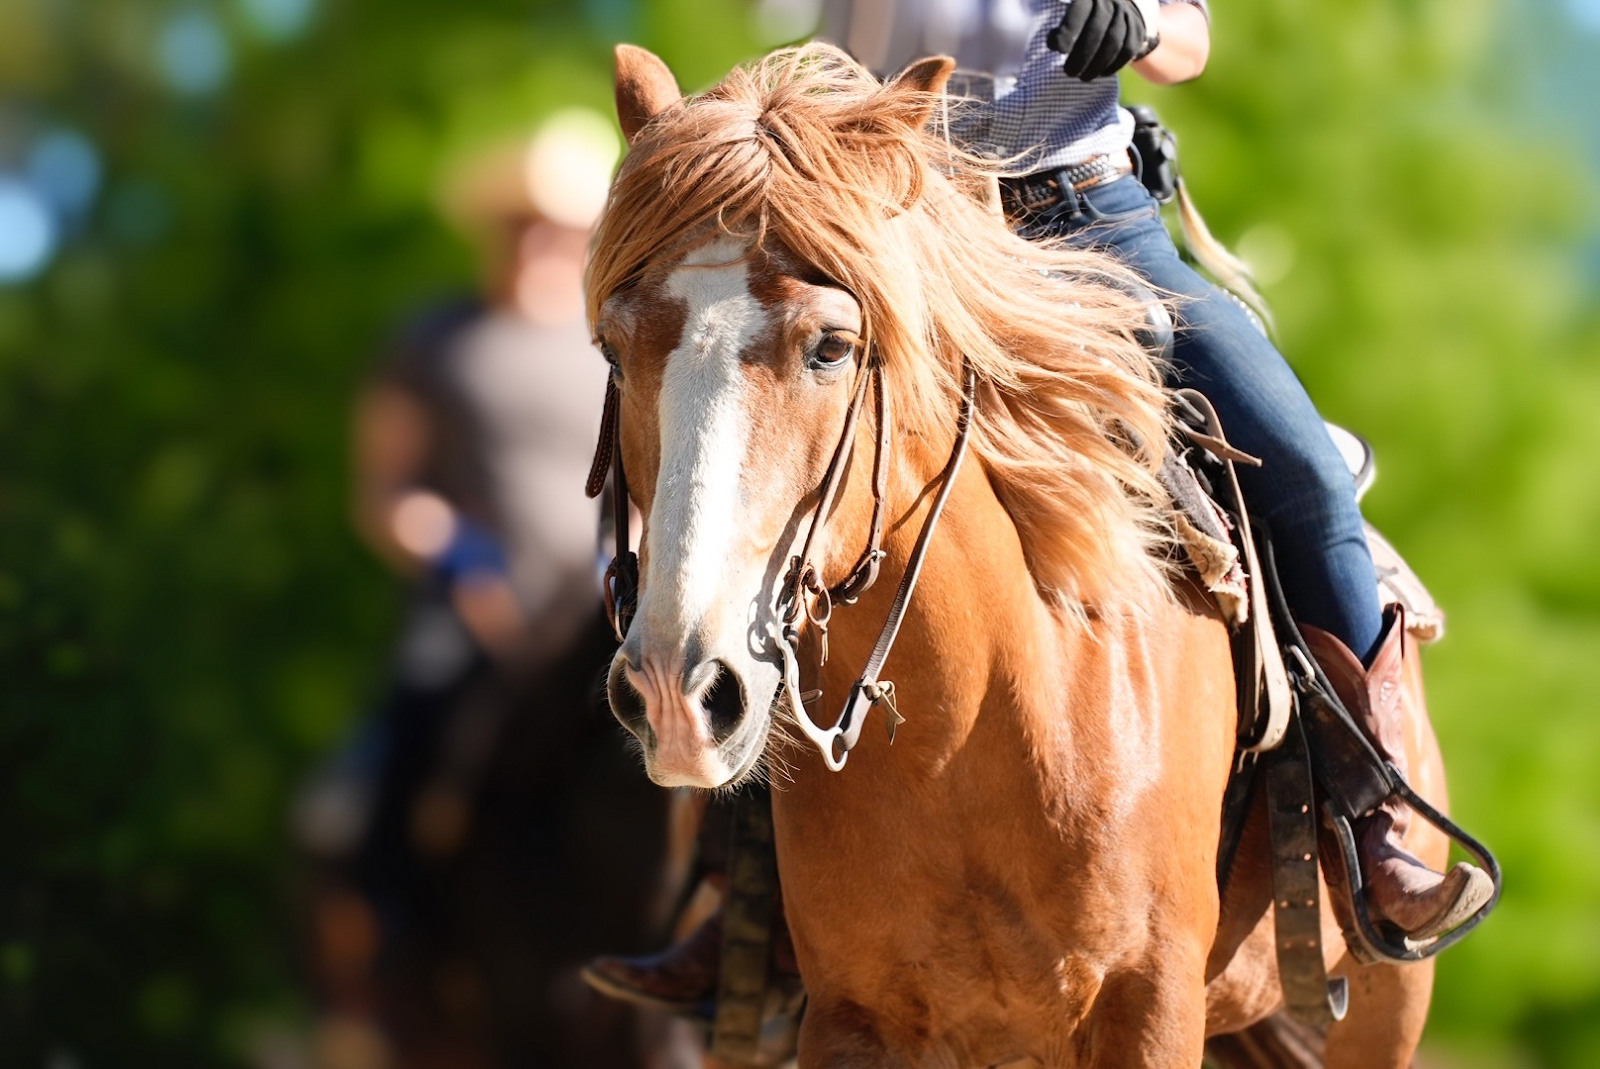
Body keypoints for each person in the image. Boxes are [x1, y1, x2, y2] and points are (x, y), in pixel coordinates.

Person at [583, 0, 1491, 1012]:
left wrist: (1139, 19)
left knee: (1302, 472)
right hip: (869, 232)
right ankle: (745, 889)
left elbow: (1191, 42)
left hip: (1084, 217)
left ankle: (1373, 824)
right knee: (776, 535)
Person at [296, 112, 673, 1064]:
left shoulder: (613, 345)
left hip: (599, 611)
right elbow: (386, 489)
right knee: (385, 771)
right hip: (469, 607)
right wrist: (457, 558)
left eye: (556, 223)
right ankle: (378, 966)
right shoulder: (433, 338)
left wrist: (624, 571)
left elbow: (648, 483)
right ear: (492, 225)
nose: (535, 239)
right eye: (519, 220)